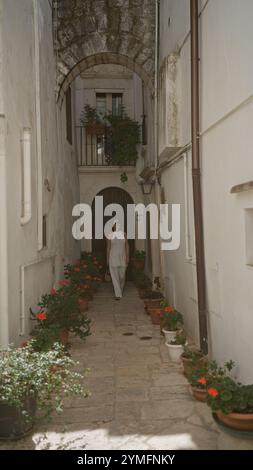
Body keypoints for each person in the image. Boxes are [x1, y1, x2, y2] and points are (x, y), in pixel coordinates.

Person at [106, 223, 129, 300]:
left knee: (122, 276)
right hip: (113, 257)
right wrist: (107, 259)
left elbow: (127, 246)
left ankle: (120, 290)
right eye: (116, 224)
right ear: (113, 226)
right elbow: (108, 247)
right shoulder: (110, 235)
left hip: (122, 257)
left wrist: (127, 257)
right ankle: (118, 294)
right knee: (115, 277)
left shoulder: (124, 234)